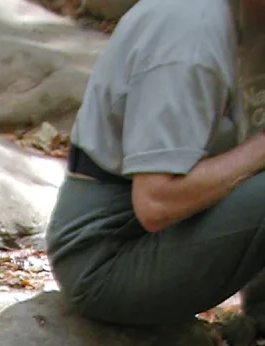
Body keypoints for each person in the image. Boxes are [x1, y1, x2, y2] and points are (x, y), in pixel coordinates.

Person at [47, 0, 265, 326]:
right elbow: (156, 203)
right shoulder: (191, 36)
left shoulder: (241, 19)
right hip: (105, 259)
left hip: (152, 234)